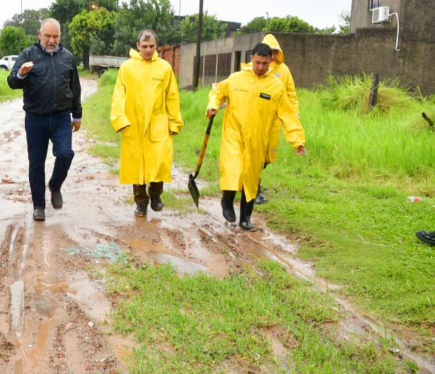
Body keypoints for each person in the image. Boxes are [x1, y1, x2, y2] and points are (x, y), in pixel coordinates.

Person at [206, 42, 307, 231]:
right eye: (258, 62)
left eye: (265, 64)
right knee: (233, 168)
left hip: (258, 139)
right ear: (251, 58)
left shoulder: (276, 87)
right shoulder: (236, 79)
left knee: (251, 178)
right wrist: (213, 105)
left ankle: (245, 218)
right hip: (234, 134)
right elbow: (218, 91)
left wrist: (297, 141)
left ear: (271, 62)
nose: (260, 67)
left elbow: (288, 114)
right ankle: (227, 202)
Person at [7, 18, 82, 221]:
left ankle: (55, 184)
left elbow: (75, 88)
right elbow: (12, 82)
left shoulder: (67, 57)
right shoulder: (28, 55)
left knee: (66, 154)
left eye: (55, 36)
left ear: (60, 36)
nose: (51, 40)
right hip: (35, 119)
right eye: (47, 36)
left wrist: (77, 115)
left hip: (61, 118)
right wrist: (21, 74)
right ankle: (38, 205)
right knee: (36, 163)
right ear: (39, 35)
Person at [110, 29, 183, 217]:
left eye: (151, 46)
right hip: (133, 123)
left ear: (156, 46)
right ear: (137, 46)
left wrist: (174, 122)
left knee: (159, 160)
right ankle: (141, 202)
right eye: (144, 46)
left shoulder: (165, 68)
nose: (148, 50)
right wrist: (120, 119)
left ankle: (156, 194)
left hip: (158, 122)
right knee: (137, 165)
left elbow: (172, 97)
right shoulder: (127, 68)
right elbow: (119, 94)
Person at [252, 33, 300, 204]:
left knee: (267, 158)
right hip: (255, 119)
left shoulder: (284, 70)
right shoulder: (254, 69)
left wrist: (294, 114)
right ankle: (254, 190)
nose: (270, 56)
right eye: (268, 51)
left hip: (273, 122)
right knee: (254, 156)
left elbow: (290, 94)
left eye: (273, 52)